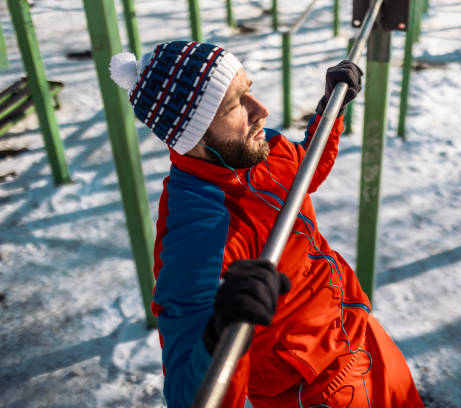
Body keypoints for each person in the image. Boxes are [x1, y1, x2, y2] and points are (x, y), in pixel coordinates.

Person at [110, 40, 423, 408]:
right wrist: (220, 332)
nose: (261, 110)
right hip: (316, 390)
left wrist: (329, 113)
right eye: (234, 105)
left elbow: (302, 172)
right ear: (192, 135)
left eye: (249, 91)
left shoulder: (257, 152)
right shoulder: (198, 234)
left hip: (360, 333)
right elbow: (186, 396)